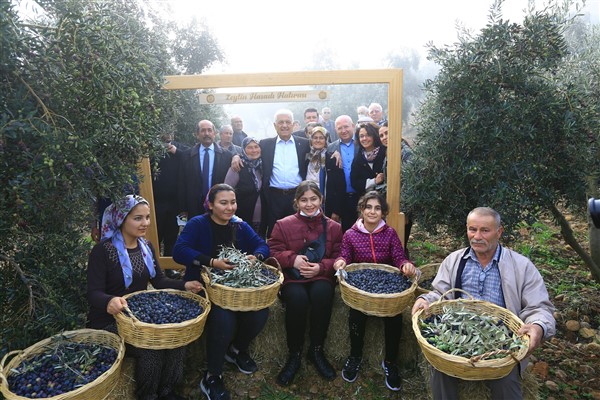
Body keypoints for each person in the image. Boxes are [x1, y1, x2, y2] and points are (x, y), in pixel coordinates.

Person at [411, 207, 556, 400]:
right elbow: (439, 293)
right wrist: (424, 300)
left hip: (501, 342)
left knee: (506, 382)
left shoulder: (521, 267)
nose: (477, 236)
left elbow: (539, 307)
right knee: (440, 371)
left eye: (485, 230)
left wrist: (538, 326)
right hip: (458, 335)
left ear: (499, 231)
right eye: (472, 229)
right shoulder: (454, 260)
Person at [87, 195, 203, 400]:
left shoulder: (146, 247)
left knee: (174, 339)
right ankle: (148, 395)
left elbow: (159, 281)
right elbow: (93, 293)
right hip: (110, 320)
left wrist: (184, 284)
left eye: (147, 217)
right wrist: (109, 301)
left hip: (138, 316)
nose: (145, 223)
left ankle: (168, 391)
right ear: (121, 219)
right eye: (138, 218)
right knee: (151, 348)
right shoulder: (103, 251)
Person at [172, 184, 270, 400]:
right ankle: (212, 376)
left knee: (261, 312)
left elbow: (262, 245)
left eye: (232, 202)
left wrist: (257, 257)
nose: (230, 207)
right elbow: (179, 251)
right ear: (210, 204)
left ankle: (235, 350)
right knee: (224, 318)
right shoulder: (198, 223)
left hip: (235, 286)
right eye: (223, 203)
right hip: (203, 283)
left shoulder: (240, 225)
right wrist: (212, 262)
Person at [333, 191, 416, 392]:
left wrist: (405, 264)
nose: (372, 211)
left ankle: (390, 362)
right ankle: (355, 356)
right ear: (362, 210)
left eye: (377, 208)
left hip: (386, 286)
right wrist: (341, 262)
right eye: (368, 207)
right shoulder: (350, 234)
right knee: (356, 315)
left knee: (395, 316)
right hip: (362, 289)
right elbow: (344, 256)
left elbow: (398, 256)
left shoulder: (389, 233)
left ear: (383, 212)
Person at [268, 181, 343, 386]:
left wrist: (323, 267)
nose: (309, 204)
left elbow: (340, 255)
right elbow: (272, 251)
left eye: (313, 199)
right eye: (304, 200)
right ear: (296, 202)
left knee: (322, 293)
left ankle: (316, 350)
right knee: (297, 299)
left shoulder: (334, 227)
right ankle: (294, 354)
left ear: (321, 199)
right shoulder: (282, 224)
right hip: (293, 277)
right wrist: (292, 259)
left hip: (320, 276)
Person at [231, 109, 310, 236]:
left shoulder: (304, 143)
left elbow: (321, 149)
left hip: (297, 195)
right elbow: (250, 152)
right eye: (280, 122)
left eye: (287, 122)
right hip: (273, 197)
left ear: (293, 124)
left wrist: (336, 151)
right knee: (275, 233)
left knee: (297, 232)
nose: (284, 125)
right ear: (275, 125)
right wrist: (236, 156)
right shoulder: (265, 144)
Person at [178, 120, 233, 219]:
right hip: (194, 206)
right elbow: (181, 183)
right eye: (203, 130)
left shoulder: (227, 156)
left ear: (214, 133)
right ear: (197, 134)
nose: (206, 133)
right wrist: (183, 208)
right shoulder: (186, 156)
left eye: (209, 130)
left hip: (218, 204)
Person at [378, 121, 413, 258]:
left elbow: (408, 183)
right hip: (392, 206)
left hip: (403, 208)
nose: (384, 137)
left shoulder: (406, 153)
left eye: (387, 133)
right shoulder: (390, 151)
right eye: (381, 135)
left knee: (400, 245)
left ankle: (406, 274)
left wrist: (404, 212)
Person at [152, 133, 189, 256]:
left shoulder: (181, 148)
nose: (166, 135)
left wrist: (176, 151)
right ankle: (153, 266)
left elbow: (191, 157)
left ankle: (169, 267)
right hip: (155, 201)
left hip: (174, 202)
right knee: (155, 234)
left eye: (168, 132)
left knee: (171, 235)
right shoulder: (152, 148)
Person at [325, 115, 359, 232]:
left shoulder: (363, 143)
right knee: (345, 235)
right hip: (342, 200)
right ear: (335, 130)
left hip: (362, 197)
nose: (343, 131)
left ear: (353, 126)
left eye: (346, 127)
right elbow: (331, 182)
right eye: (340, 128)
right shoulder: (331, 149)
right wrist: (335, 208)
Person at [224, 137, 264, 234]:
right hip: (242, 216)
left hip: (263, 217)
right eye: (249, 147)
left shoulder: (265, 165)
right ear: (243, 150)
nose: (254, 150)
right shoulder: (237, 166)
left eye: (256, 146)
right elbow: (225, 191)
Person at [350, 122, 386, 199]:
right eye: (361, 136)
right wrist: (374, 181)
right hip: (367, 201)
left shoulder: (385, 152)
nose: (364, 139)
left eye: (368, 135)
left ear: (374, 136)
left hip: (386, 198)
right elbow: (354, 182)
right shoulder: (358, 158)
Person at [305, 126, 328, 196]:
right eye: (315, 138)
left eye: (321, 138)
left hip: (325, 195)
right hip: (307, 193)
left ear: (326, 140)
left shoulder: (331, 156)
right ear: (311, 140)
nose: (318, 140)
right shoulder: (306, 155)